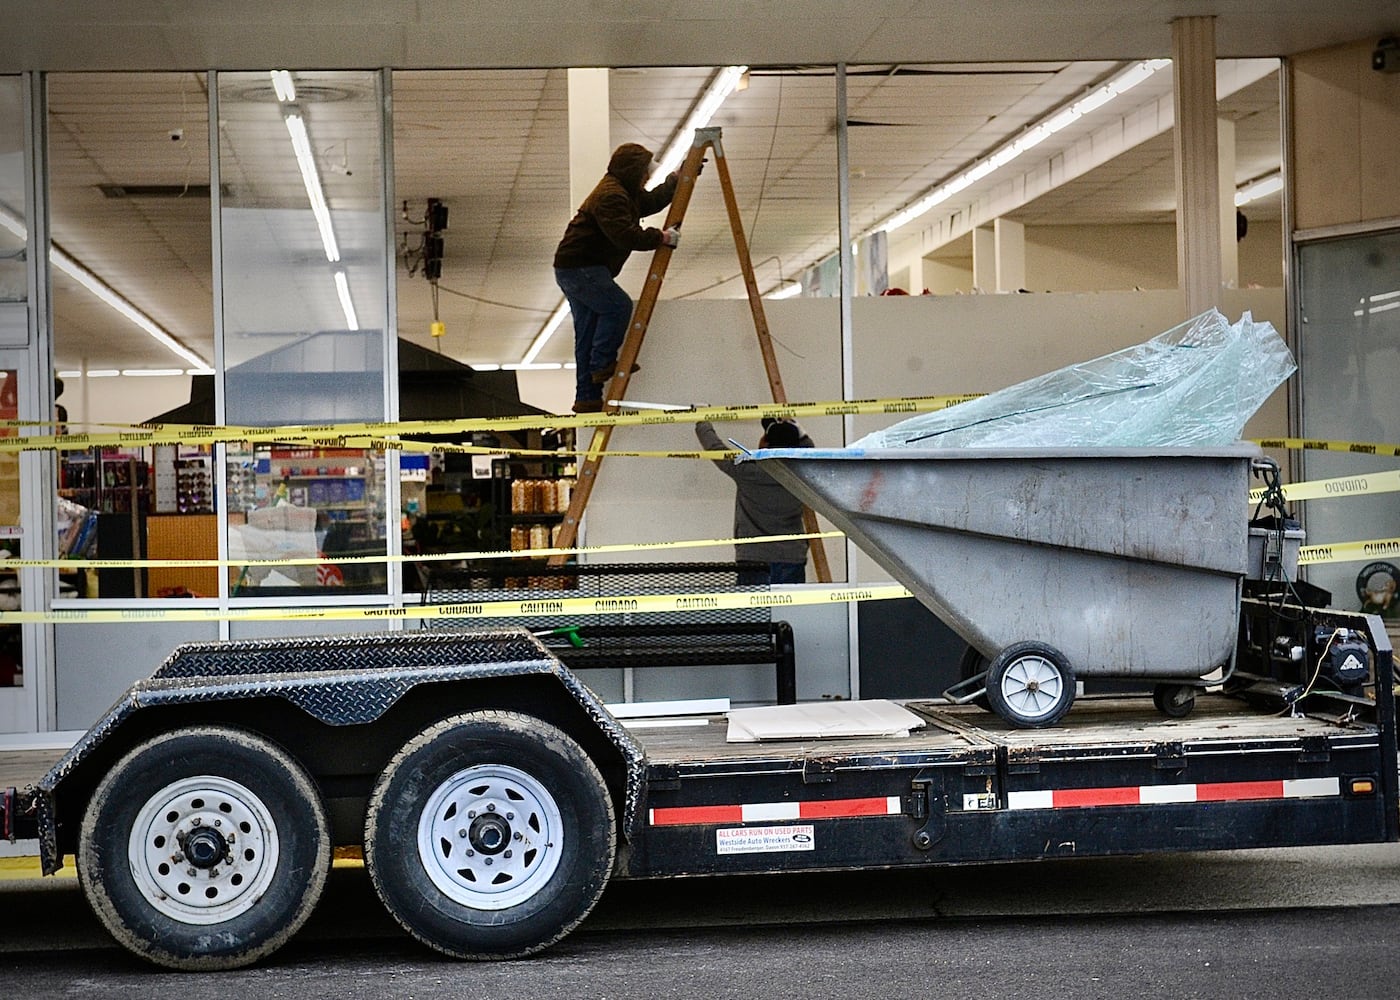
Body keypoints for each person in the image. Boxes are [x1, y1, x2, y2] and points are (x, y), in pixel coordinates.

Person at [554, 142, 684, 414]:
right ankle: (602, 364)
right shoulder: (611, 196)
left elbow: (646, 204)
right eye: (645, 172)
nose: (647, 177)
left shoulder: (623, 191)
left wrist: (675, 182)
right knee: (618, 306)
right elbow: (626, 235)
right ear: (633, 170)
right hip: (582, 265)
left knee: (586, 332)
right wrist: (660, 237)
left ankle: (587, 397)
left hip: (574, 266)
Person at [695, 417, 814, 584]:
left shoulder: (747, 471)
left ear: (765, 444)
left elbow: (714, 447)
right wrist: (801, 432)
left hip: (754, 559)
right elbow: (811, 452)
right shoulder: (802, 474)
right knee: (787, 610)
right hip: (792, 558)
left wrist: (702, 420)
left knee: (756, 610)